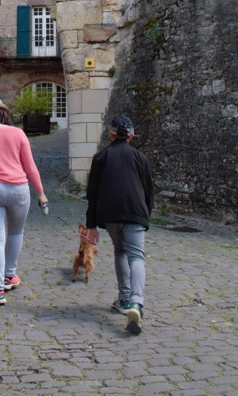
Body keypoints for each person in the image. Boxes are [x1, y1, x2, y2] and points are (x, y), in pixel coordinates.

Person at [0, 98, 48, 305]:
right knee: (16, 232)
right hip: (19, 188)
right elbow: (30, 167)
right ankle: (9, 275)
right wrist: (40, 193)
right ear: (6, 115)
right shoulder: (19, 134)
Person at [85, 114, 154, 335]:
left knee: (120, 251)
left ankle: (124, 299)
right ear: (132, 136)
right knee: (136, 256)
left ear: (111, 134)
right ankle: (136, 302)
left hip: (110, 214)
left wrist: (91, 225)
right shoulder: (140, 158)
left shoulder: (101, 157)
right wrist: (145, 217)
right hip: (136, 213)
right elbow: (148, 191)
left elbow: (92, 193)